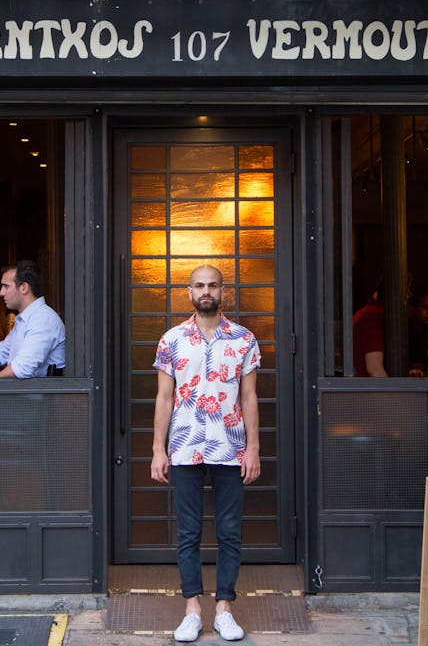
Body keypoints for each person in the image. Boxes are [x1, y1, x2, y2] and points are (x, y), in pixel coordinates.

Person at [151, 264, 260, 643]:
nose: (206, 291)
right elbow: (165, 398)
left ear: (223, 290)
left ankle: (225, 608)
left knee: (230, 531)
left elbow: (249, 396)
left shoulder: (244, 339)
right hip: (184, 446)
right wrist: (157, 450)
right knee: (189, 532)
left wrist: (254, 449)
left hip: (231, 446)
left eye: (213, 285)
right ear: (189, 291)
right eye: (200, 285)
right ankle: (192, 609)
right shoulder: (171, 340)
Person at [351, 287, 387, 377]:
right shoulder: (371, 317)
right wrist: (396, 391)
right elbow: (375, 369)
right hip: (362, 388)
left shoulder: (363, 314)